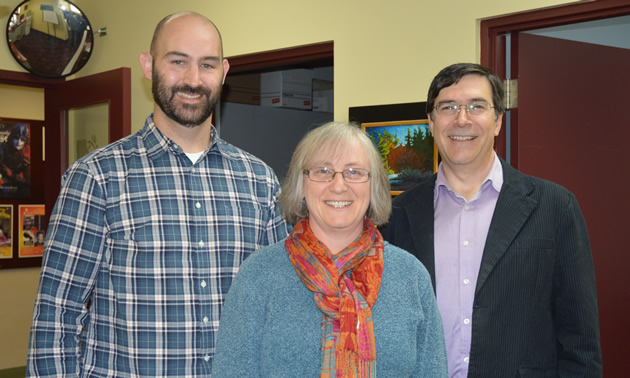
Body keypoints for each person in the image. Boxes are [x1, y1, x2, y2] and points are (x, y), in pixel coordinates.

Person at [27, 12, 289, 377]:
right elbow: (57, 314)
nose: (193, 80)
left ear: (224, 72)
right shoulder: (97, 177)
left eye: (207, 64)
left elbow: (279, 304)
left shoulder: (259, 181)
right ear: (149, 66)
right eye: (178, 61)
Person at [381, 63, 602, 377]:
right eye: (448, 107)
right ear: (431, 122)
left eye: (476, 106)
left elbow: (580, 341)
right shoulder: (397, 215)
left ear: (498, 120)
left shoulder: (555, 207)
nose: (462, 119)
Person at [212, 122, 448, 377]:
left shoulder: (410, 276)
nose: (338, 185)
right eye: (323, 171)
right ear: (302, 186)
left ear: (373, 185)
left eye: (354, 172)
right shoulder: (258, 275)